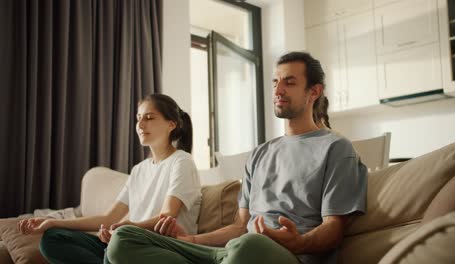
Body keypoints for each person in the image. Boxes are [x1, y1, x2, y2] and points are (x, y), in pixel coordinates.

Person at [106, 51, 368, 264]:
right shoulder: (260, 154)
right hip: (234, 252)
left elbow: (333, 229)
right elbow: (241, 226)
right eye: (275, 82)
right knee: (125, 238)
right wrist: (190, 241)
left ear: (314, 92)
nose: (278, 90)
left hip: (286, 256)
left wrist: (299, 242)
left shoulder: (336, 148)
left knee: (249, 246)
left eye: (290, 82)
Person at [17, 93, 202, 264]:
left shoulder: (182, 161)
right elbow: (110, 217)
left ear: (172, 124)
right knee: (53, 238)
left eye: (149, 117)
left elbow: (167, 216)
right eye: (138, 118)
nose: (140, 124)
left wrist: (125, 229)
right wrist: (52, 221)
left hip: (160, 247)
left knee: (119, 243)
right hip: (127, 243)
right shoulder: (139, 170)